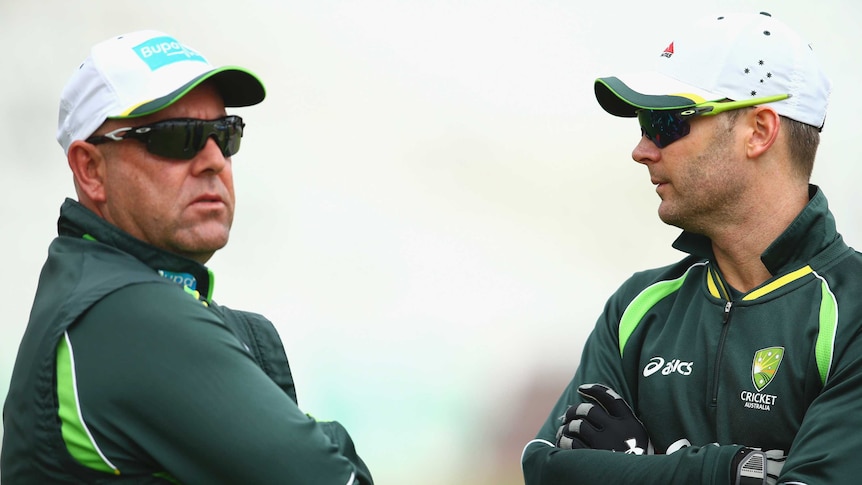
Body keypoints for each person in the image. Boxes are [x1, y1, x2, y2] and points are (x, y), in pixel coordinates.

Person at [1, 30, 373, 484]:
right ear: (90, 169)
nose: (214, 159)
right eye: (177, 138)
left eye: (224, 133)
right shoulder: (126, 313)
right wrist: (322, 439)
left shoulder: (91, 293)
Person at [522, 11, 862, 485]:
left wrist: (635, 469)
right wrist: (730, 472)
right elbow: (544, 469)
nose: (641, 149)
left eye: (664, 123)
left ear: (759, 131)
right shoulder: (637, 307)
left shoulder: (854, 312)